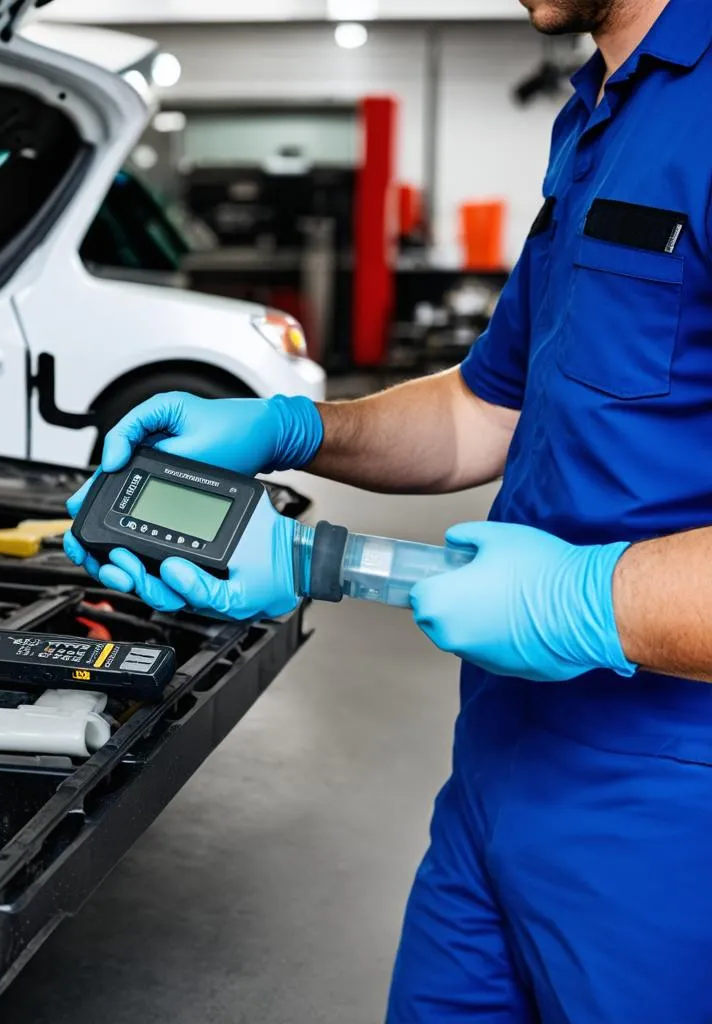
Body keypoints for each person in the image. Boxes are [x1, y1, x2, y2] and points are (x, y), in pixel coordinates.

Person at [65, 0, 712, 1018]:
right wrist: (292, 429)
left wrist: (588, 598)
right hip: (500, 760)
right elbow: (482, 408)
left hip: (674, 803)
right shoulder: (599, 111)